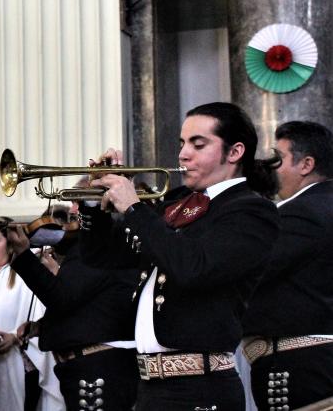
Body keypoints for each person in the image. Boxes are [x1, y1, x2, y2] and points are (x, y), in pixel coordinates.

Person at [86, 102, 281, 411]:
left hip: (200, 388)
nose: (183, 154)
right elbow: (104, 257)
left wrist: (134, 207)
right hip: (149, 386)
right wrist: (91, 204)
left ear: (235, 152)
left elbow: (193, 268)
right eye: (182, 143)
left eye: (197, 144)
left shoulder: (251, 211)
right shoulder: (177, 203)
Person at [8, 197, 140, 410]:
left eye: (80, 203)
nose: (73, 210)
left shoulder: (101, 244)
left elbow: (61, 297)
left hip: (98, 366)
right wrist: (42, 326)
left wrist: (24, 255)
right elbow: (88, 304)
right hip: (93, 364)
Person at [242, 120, 333, 409]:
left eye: (278, 159)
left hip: (303, 369)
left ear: (306, 165)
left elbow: (249, 271)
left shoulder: (304, 212)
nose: (270, 168)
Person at [0, 217, 63, 411]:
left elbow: (42, 319)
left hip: (15, 363)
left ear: (11, 244)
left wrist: (14, 336)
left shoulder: (23, 277)